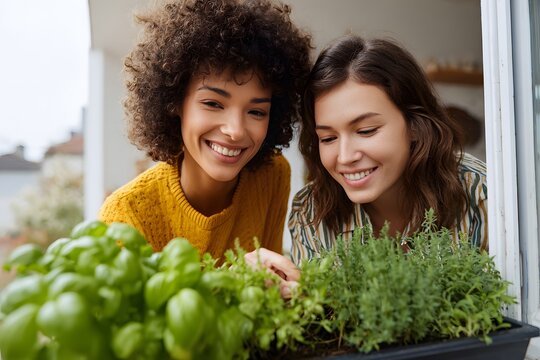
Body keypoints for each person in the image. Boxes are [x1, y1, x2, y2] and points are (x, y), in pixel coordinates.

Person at [246, 34, 487, 293]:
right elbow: (324, 321)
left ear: (415, 126)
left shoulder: (481, 192)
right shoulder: (311, 211)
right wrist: (301, 293)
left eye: (366, 130)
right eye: (328, 138)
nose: (345, 156)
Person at [99, 0, 312, 259]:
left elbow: (266, 288)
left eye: (256, 111)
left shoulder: (273, 175)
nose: (235, 130)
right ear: (175, 102)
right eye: (213, 103)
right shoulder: (126, 214)